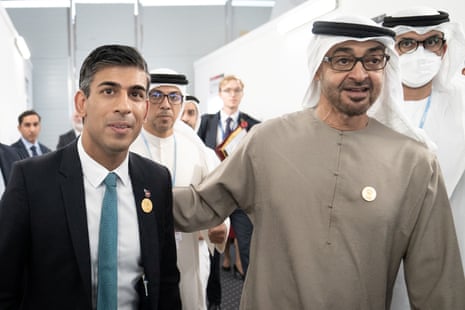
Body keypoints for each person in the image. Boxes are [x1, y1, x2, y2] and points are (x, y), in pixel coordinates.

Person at [172, 15, 465, 309]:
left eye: (374, 60)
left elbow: (437, 281)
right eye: (342, 60)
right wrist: (136, 188)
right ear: (317, 68)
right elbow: (202, 204)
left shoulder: (415, 162)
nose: (360, 74)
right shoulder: (268, 141)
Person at [0, 44, 181, 309]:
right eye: (109, 91)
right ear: (82, 103)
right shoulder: (31, 180)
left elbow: (165, 281)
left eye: (136, 94)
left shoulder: (156, 180)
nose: (124, 106)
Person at [382, 7, 465, 309]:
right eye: (407, 43)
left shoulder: (461, 102)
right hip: (382, 245)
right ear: (390, 49)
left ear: (445, 47)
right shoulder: (369, 106)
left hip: (451, 237)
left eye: (431, 41)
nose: (421, 53)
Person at [131, 69, 227, 310]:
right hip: (138, 250)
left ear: (182, 102)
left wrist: (221, 226)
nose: (165, 104)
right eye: (156, 95)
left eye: (173, 97)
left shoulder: (199, 152)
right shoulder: (127, 148)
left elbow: (217, 201)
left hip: (189, 249)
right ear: (144, 101)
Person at [197, 74, 259, 308]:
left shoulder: (252, 125)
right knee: (211, 253)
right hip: (215, 197)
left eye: (237, 90)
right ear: (220, 94)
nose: (232, 94)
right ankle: (214, 302)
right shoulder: (206, 122)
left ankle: (252, 301)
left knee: (248, 250)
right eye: (228, 90)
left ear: (242, 94)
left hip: (241, 198)